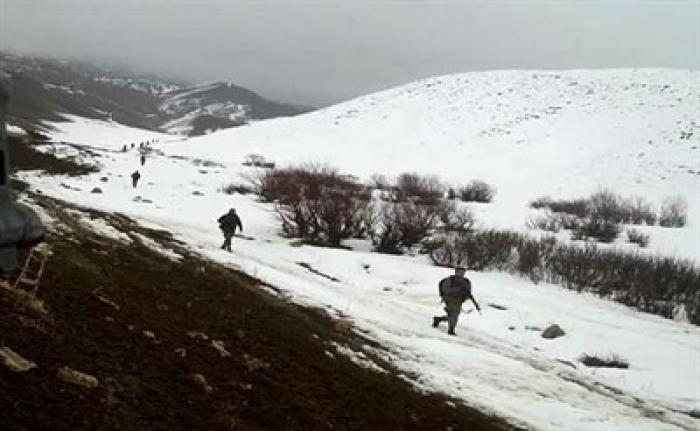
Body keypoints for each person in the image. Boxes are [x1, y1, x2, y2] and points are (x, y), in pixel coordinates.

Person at [432, 266, 480, 335]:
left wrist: (466, 296)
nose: (461, 274)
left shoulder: (466, 281)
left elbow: (468, 292)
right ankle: (451, 330)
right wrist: (457, 290)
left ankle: (438, 319)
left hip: (459, 300)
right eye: (459, 272)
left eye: (463, 272)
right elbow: (446, 290)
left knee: (452, 315)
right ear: (456, 272)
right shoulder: (450, 280)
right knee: (455, 314)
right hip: (449, 299)